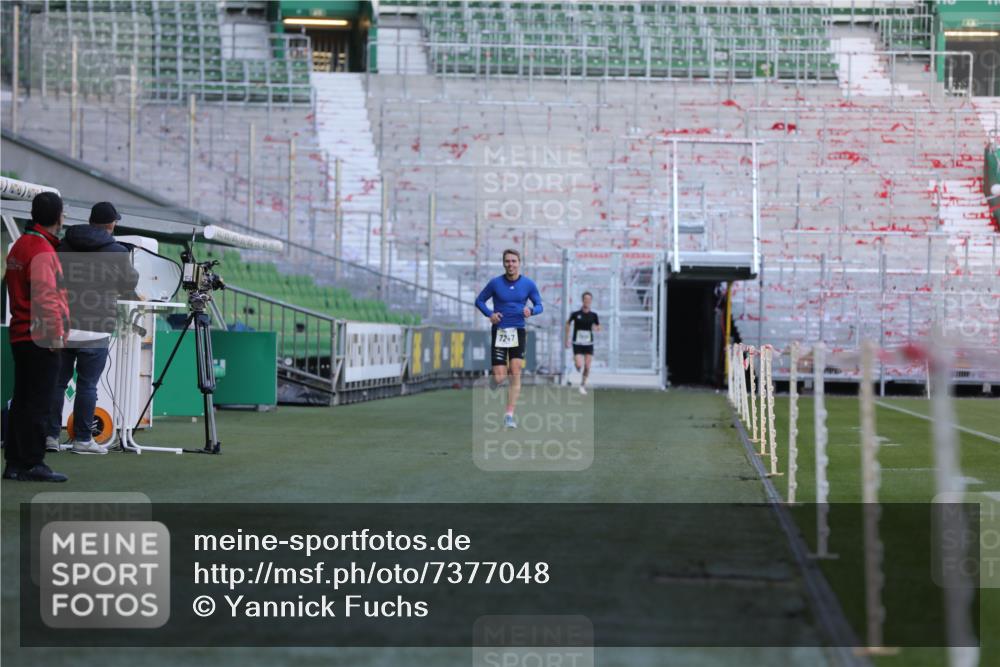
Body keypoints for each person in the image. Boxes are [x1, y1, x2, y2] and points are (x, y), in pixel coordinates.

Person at [48, 202, 139, 455]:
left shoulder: (64, 244)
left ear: (91, 221)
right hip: (96, 326)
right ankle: (83, 439)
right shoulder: (117, 251)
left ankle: (50, 436)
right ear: (111, 224)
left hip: (63, 325)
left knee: (57, 383)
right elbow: (130, 282)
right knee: (87, 385)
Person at [3, 191, 70, 482]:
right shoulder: (43, 251)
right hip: (40, 336)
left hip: (21, 333)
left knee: (22, 400)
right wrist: (55, 335)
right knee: (39, 402)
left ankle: (15, 463)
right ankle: (32, 462)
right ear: (59, 217)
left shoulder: (20, 245)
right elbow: (46, 297)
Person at [475, 249, 543, 429]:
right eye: (507, 261)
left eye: (513, 261)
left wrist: (531, 311)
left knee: (515, 370)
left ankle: (509, 415)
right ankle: (494, 381)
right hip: (500, 331)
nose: (510, 264)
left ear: (519, 262)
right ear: (503, 263)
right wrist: (490, 314)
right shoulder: (495, 283)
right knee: (499, 378)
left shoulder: (528, 284)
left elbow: (539, 305)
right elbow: (479, 301)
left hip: (518, 330)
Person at [565, 291, 601, 395]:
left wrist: (596, 328)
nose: (587, 301)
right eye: (585, 299)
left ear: (591, 301)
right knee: (579, 365)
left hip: (589, 343)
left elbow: (599, 326)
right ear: (582, 300)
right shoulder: (576, 314)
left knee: (588, 366)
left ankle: (582, 385)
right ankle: (576, 363)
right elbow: (567, 324)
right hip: (577, 343)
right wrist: (566, 339)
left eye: (589, 299)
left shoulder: (594, 315)